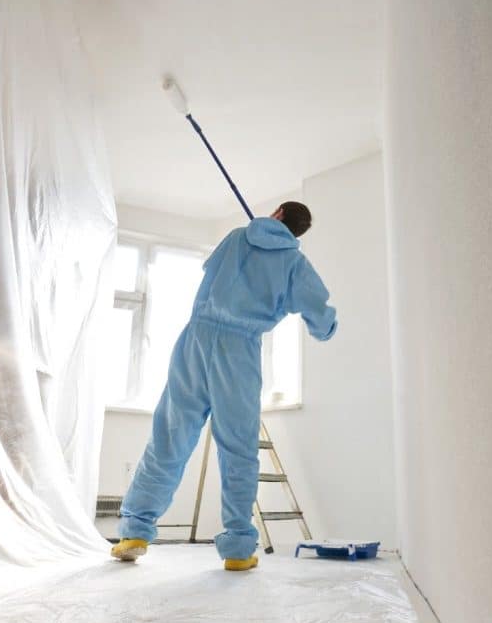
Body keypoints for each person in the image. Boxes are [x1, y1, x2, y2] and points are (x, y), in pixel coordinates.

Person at [111, 201, 337, 571]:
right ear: (297, 231)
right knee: (238, 447)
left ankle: (134, 531)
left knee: (171, 435)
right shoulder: (295, 264)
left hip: (195, 341)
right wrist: (325, 327)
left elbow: (210, 270)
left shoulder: (235, 238)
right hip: (239, 351)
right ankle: (237, 547)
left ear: (278, 213)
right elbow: (320, 315)